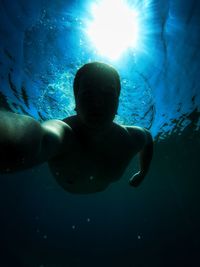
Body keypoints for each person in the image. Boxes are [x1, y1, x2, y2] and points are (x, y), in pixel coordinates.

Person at [0, 62, 153, 194]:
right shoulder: (64, 133)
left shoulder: (130, 138)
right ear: (75, 102)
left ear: (118, 102)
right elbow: (37, 138)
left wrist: (142, 173)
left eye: (108, 94)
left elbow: (148, 139)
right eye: (88, 94)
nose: (98, 103)